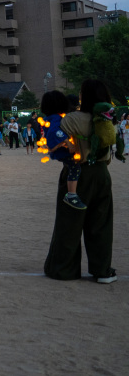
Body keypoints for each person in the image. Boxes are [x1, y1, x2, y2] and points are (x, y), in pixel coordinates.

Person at [43, 80, 117, 284]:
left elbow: (56, 144)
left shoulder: (72, 119)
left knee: (69, 222)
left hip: (77, 173)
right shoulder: (107, 118)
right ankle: (102, 271)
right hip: (102, 173)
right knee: (101, 224)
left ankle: (63, 269)